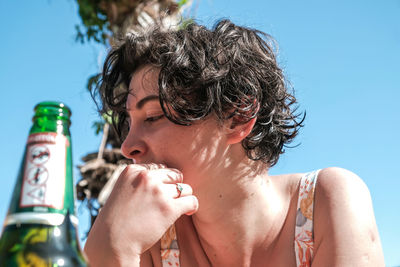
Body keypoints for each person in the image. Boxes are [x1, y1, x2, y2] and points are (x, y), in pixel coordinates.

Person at [84, 19, 384, 267]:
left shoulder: (325, 204)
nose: (127, 147)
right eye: (129, 122)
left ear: (237, 117)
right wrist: (112, 251)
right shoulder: (150, 238)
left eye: (153, 116)